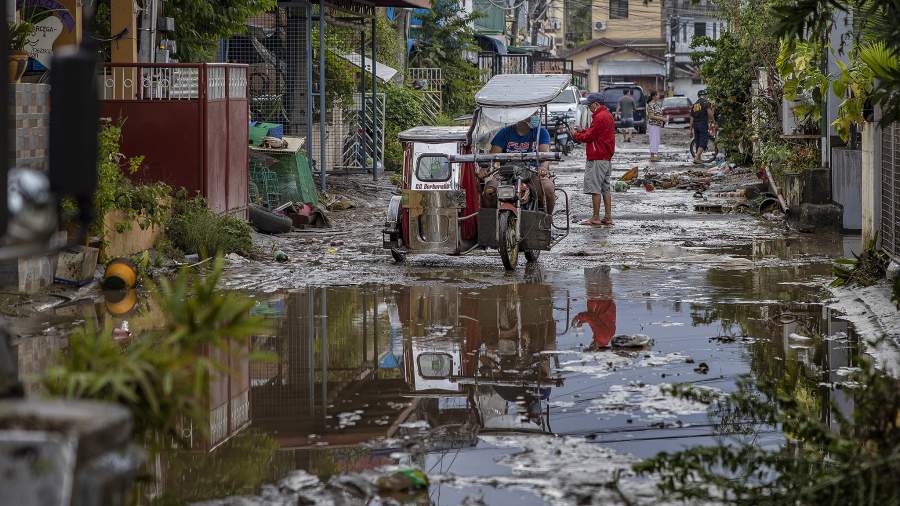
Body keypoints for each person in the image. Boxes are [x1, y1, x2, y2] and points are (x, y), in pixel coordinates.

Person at [481, 114, 556, 214]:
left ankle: (547, 219)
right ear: (520, 116)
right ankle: (491, 224)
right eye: (531, 114)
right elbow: (492, 157)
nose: (535, 117)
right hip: (506, 174)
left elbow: (544, 156)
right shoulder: (504, 133)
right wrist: (485, 168)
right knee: (489, 191)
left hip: (532, 173)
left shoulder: (541, 132)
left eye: (536, 113)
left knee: (548, 189)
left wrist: (542, 168)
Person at [574, 92, 616, 226]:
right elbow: (594, 133)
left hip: (597, 156)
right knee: (605, 188)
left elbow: (590, 137)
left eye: (590, 106)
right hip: (605, 157)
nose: (589, 109)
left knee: (595, 188)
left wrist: (576, 135)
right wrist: (582, 131)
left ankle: (595, 217)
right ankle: (608, 217)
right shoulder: (607, 115)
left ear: (596, 104)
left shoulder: (599, 117)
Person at [690, 89, 716, 165]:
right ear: (705, 95)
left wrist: (690, 129)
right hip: (702, 124)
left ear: (698, 96)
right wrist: (714, 121)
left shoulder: (694, 105)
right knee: (704, 141)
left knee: (697, 141)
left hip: (695, 125)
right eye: (706, 95)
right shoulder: (705, 103)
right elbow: (709, 113)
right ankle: (696, 158)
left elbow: (691, 117)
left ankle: (699, 159)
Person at [646, 90, 665, 163]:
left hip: (657, 124)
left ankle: (654, 155)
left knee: (656, 140)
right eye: (657, 95)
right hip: (653, 124)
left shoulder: (656, 104)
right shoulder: (650, 104)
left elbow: (658, 113)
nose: (659, 96)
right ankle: (652, 156)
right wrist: (662, 118)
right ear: (653, 96)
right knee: (653, 139)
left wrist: (662, 119)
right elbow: (651, 116)